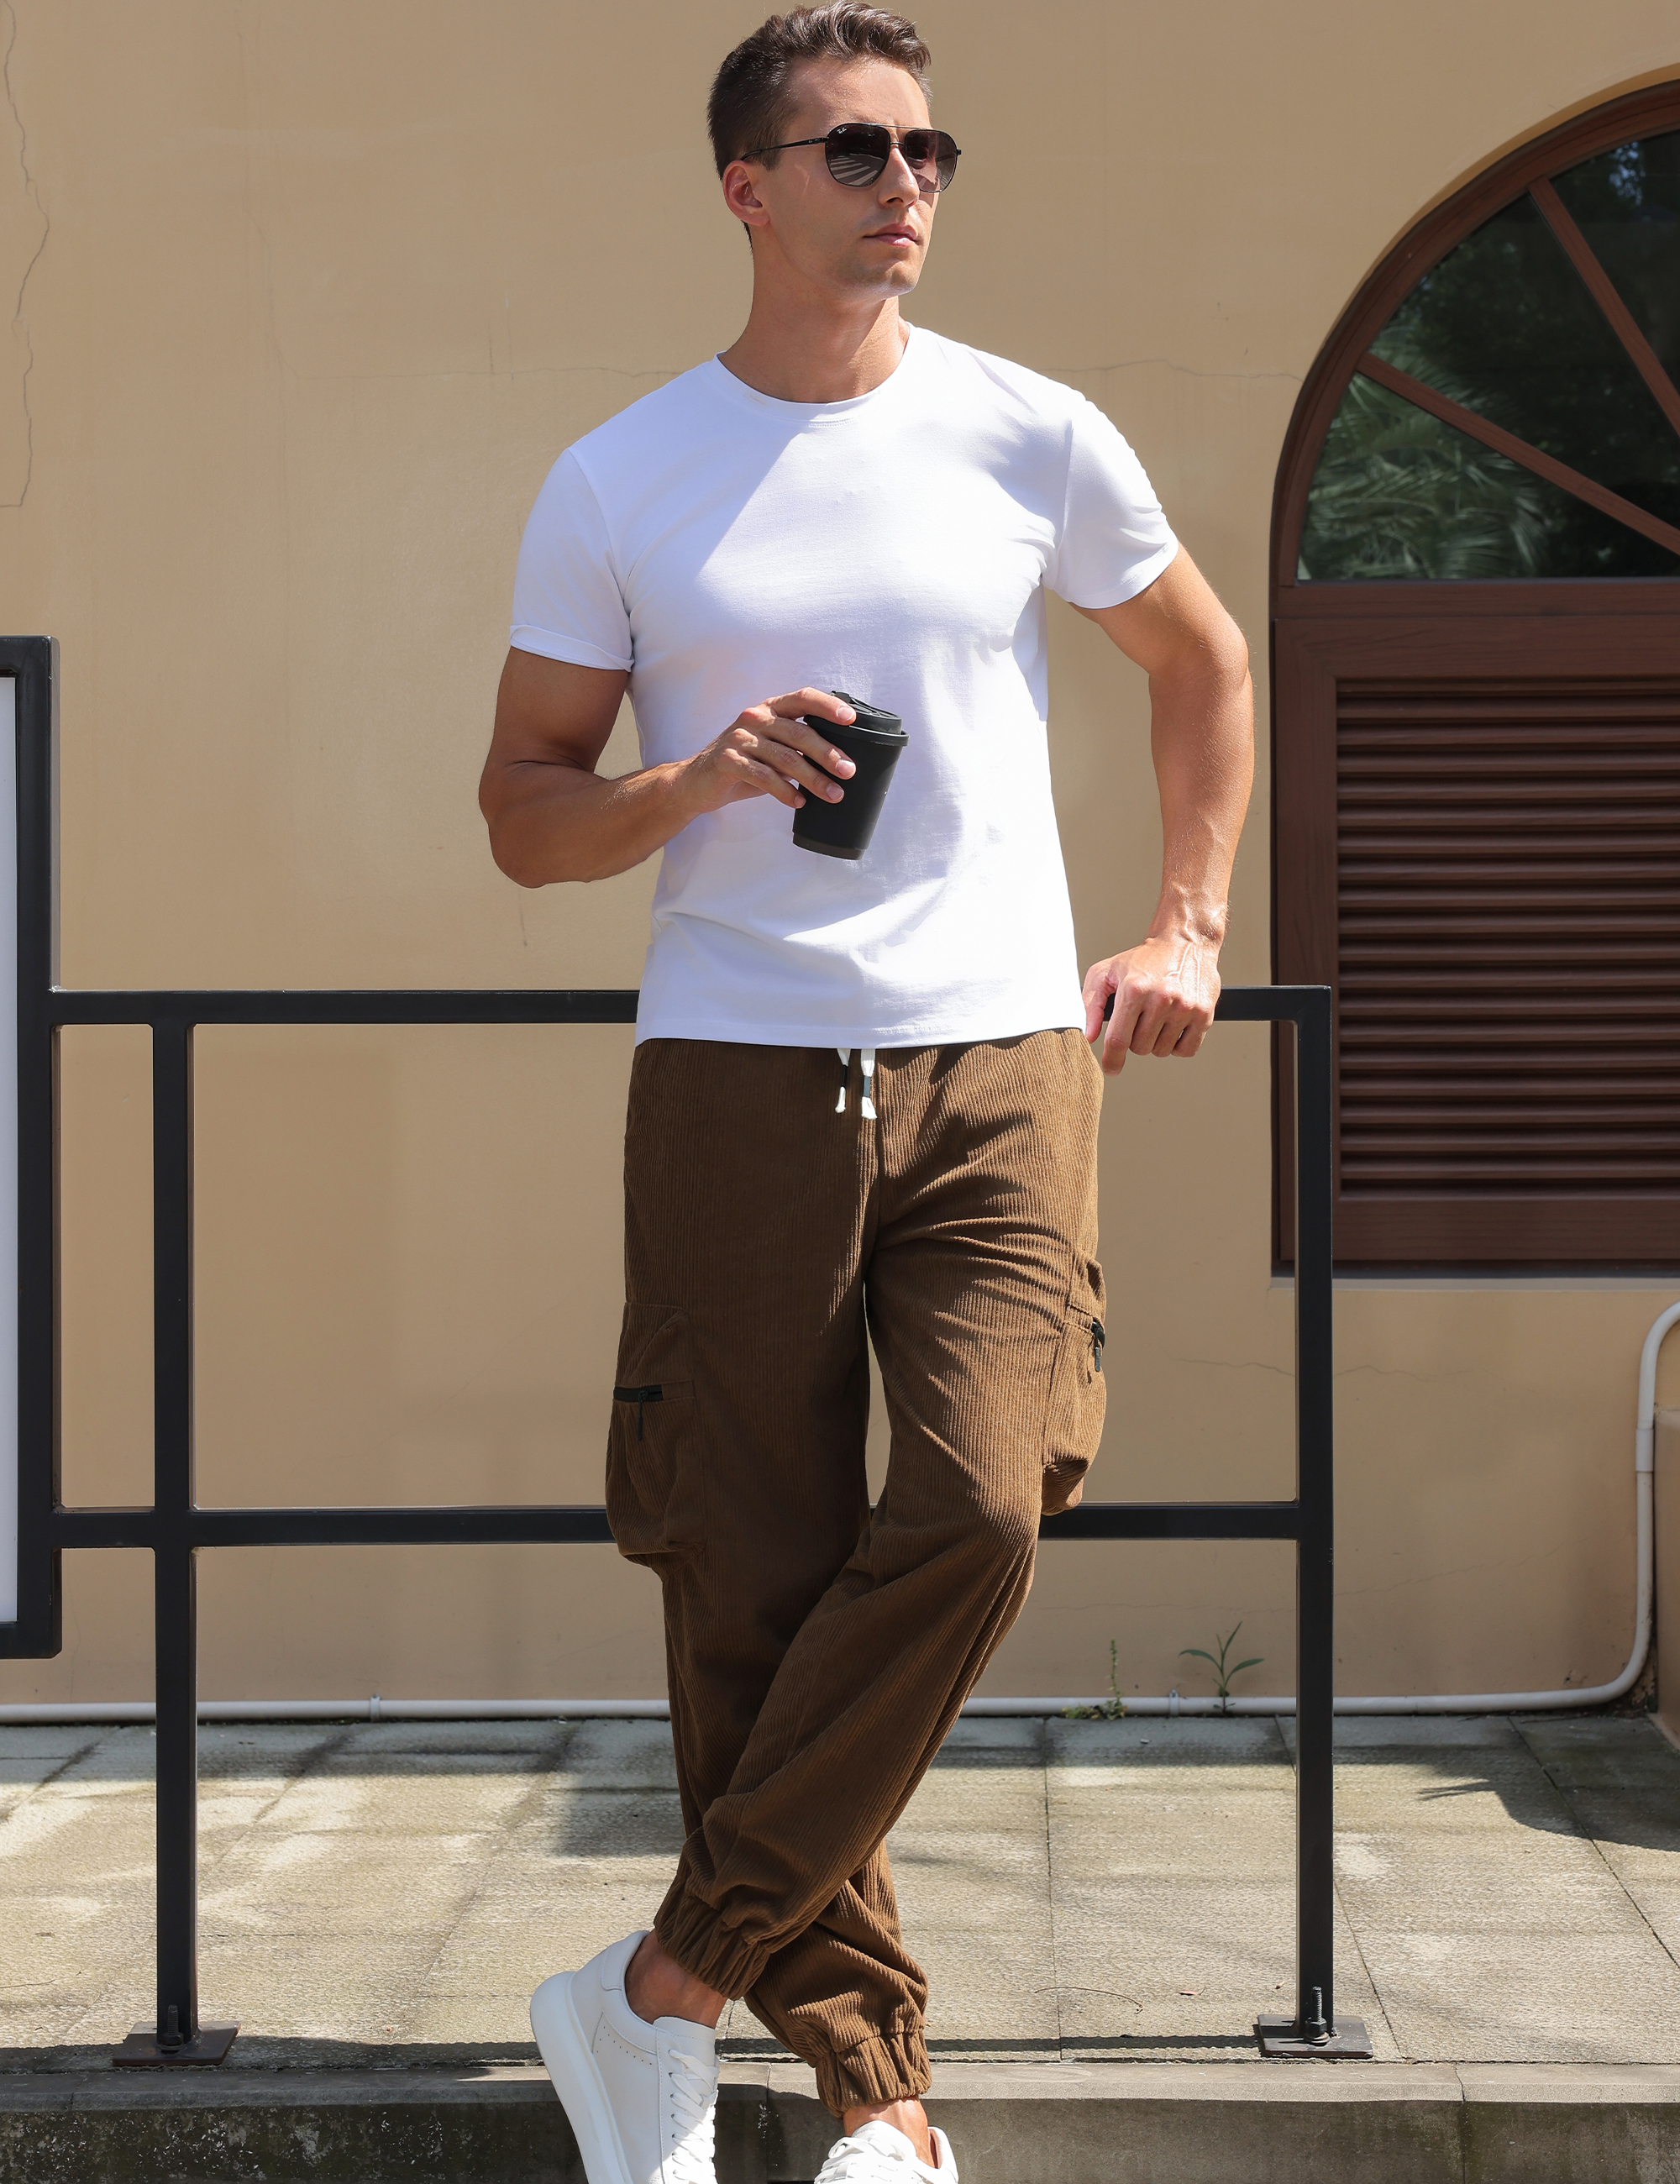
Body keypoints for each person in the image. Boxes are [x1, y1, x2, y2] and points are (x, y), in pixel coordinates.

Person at [478, 7, 1252, 2181]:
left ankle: (660, 1989)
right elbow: (525, 814)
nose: (906, 183)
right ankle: (879, 2110)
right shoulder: (623, 476)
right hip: (736, 1068)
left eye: (928, 150)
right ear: (749, 187)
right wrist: (695, 779)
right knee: (750, 1574)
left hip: (1002, 1056)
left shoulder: (1030, 432)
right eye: (857, 150)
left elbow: (1204, 664)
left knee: (986, 1506)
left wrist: (1190, 925)